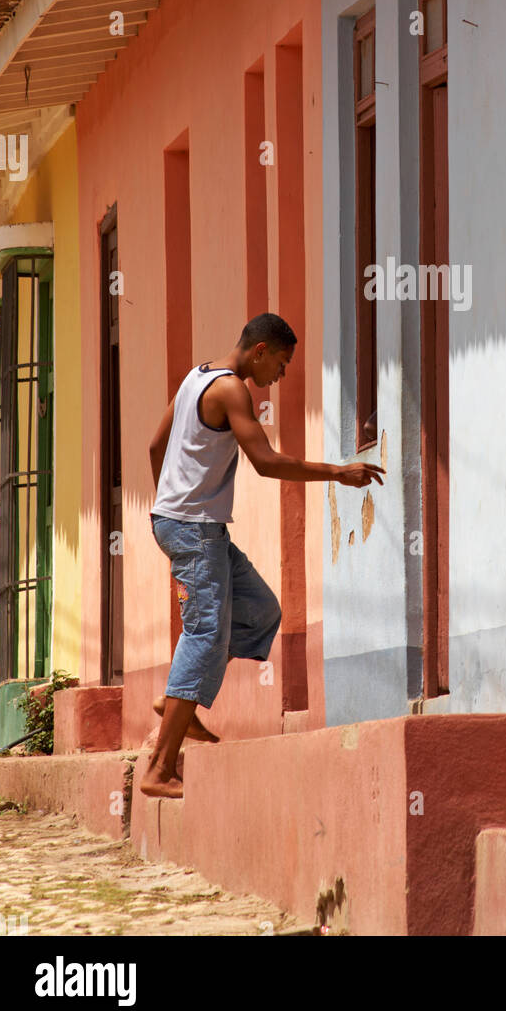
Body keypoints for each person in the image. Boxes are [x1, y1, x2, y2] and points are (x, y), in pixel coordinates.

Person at [142, 312, 384, 798]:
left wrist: (170, 508)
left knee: (260, 611)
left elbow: (155, 445)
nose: (282, 374)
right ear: (260, 351)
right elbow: (267, 462)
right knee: (206, 632)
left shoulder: (195, 376)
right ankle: (160, 770)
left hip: (192, 527)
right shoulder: (232, 389)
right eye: (282, 362)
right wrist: (338, 473)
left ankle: (178, 700)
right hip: (195, 531)